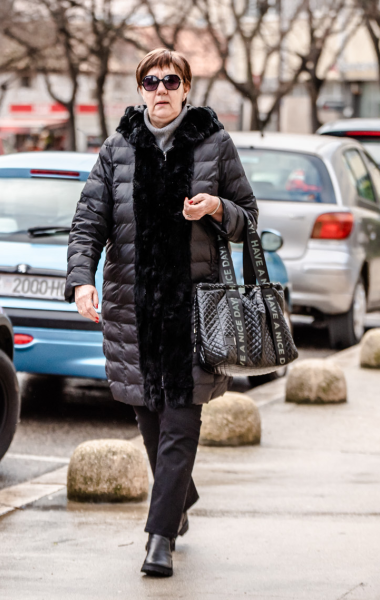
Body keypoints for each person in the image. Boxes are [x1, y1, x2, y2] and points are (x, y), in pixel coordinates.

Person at [66, 48, 257, 578]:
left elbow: (250, 217)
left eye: (171, 80)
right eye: (151, 81)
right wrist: (81, 281)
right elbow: (88, 223)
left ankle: (159, 539)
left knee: (180, 423)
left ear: (187, 88)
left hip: (194, 314)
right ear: (141, 89)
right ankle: (179, 497)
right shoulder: (117, 148)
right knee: (150, 422)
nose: (160, 89)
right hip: (134, 312)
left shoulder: (215, 145)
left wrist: (219, 209)